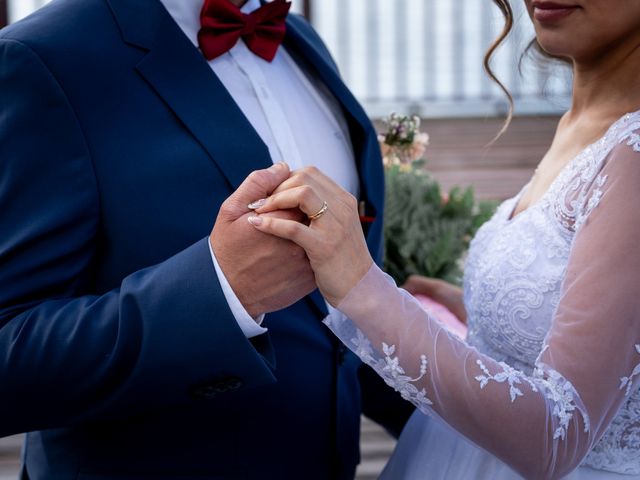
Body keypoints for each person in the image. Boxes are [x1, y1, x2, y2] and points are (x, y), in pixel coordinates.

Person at [0, 0, 414, 478]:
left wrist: (464, 407)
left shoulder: (300, 41)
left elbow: (332, 323)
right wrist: (220, 294)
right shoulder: (39, 58)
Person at [247, 0, 640, 477]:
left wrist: (360, 284)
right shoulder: (584, 124)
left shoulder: (633, 154)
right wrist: (481, 315)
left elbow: (557, 436)